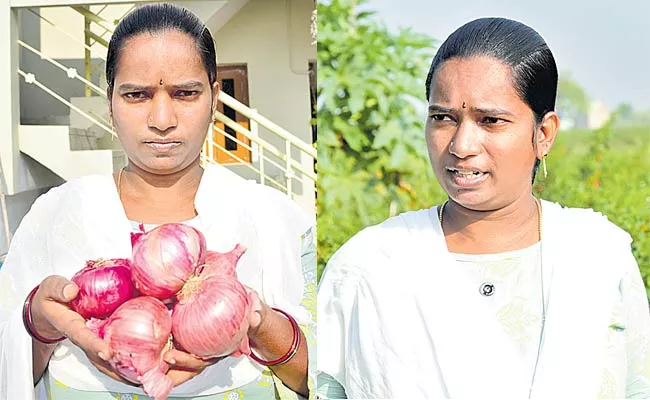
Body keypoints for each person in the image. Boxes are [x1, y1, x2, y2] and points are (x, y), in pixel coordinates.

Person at [317, 17, 650, 399]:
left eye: (490, 120)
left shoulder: (598, 257)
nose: (461, 145)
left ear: (543, 134)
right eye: (443, 118)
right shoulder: (366, 268)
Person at [0, 4, 315, 399]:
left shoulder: (273, 218)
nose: (162, 119)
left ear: (214, 99)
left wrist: (256, 321)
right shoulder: (56, 216)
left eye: (185, 93)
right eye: (136, 95)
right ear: (110, 102)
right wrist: (40, 323)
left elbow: (322, 376)